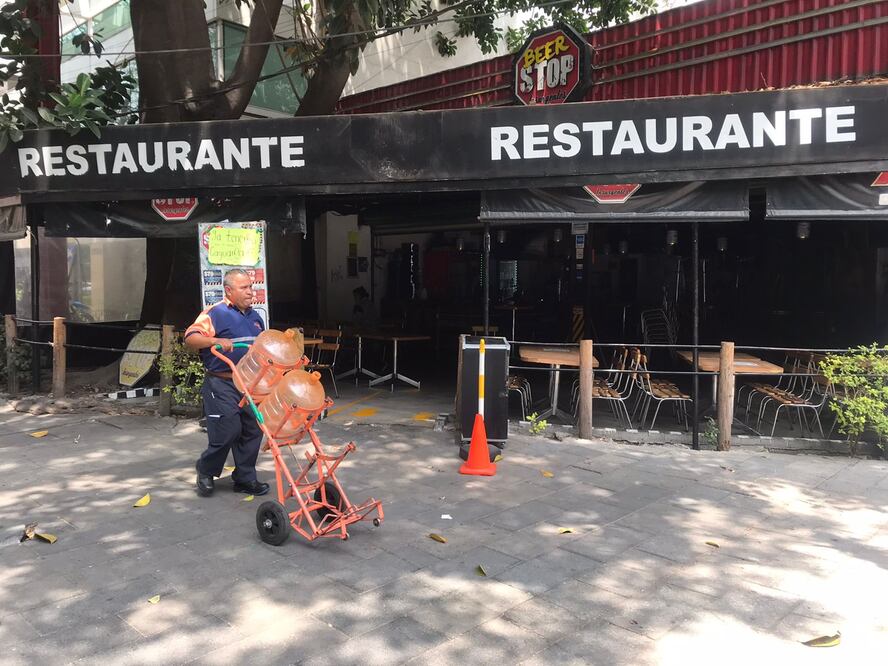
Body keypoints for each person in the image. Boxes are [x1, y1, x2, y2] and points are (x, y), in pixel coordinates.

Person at [184, 268, 269, 497]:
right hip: (222, 383)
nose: (250, 292)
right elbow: (191, 338)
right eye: (244, 288)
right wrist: (216, 340)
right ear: (228, 290)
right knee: (228, 429)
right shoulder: (214, 313)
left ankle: (244, 478)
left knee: (253, 430)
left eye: (251, 287)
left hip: (250, 385)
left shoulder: (255, 317)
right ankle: (206, 470)